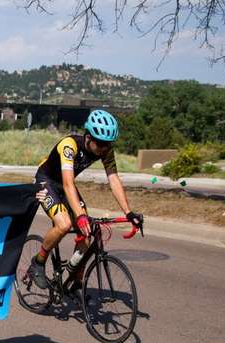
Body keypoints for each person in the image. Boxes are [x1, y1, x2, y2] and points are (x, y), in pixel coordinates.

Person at [31, 109, 142, 289]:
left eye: (108, 144)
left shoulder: (105, 150)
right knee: (64, 224)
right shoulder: (69, 145)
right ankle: (38, 262)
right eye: (100, 143)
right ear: (89, 137)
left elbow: (113, 179)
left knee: (87, 233)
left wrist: (128, 213)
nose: (104, 149)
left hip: (65, 184)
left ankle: (74, 281)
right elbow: (67, 183)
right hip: (47, 181)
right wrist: (80, 215)